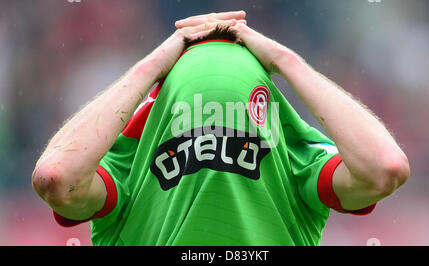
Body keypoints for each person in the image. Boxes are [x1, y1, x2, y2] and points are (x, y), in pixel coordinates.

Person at [32, 11, 410, 246]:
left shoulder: (125, 166)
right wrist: (287, 62)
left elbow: (385, 169)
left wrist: (152, 68)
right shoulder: (298, 158)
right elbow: (55, 177)